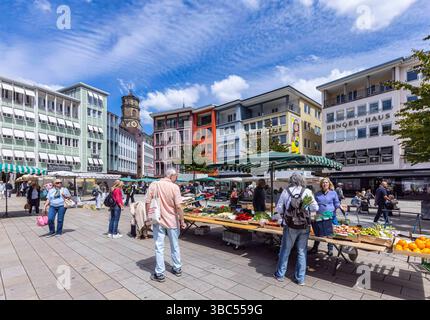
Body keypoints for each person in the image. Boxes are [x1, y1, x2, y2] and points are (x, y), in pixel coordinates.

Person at [274, 173, 318, 285]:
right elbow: (315, 207)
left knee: (285, 250)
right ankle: (300, 279)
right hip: (304, 225)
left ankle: (280, 275)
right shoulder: (306, 192)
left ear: (291, 180)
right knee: (301, 252)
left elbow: (278, 209)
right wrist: (305, 205)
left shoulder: (286, 191)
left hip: (290, 225)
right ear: (302, 180)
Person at [145, 168, 186, 282]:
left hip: (158, 220)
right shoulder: (175, 187)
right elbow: (178, 206)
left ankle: (160, 273)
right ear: (171, 176)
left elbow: (147, 202)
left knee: (159, 247)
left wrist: (148, 218)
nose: (176, 178)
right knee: (175, 245)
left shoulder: (154, 184)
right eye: (176, 176)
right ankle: (177, 268)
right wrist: (182, 221)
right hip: (172, 220)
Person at [309, 178, 344, 256]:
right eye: (323, 183)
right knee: (318, 232)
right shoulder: (317, 194)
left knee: (330, 232)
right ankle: (315, 248)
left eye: (326, 182)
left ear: (329, 184)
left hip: (330, 215)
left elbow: (337, 203)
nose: (325, 184)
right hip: (320, 215)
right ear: (321, 184)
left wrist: (341, 207)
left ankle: (330, 249)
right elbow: (312, 203)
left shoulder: (333, 193)